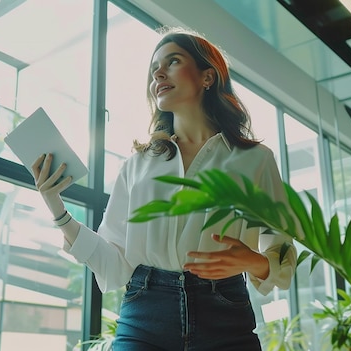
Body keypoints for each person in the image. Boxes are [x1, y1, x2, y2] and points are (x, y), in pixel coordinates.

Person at [31, 27, 298, 351]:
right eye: (155, 67)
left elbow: (281, 247)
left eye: (172, 61)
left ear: (207, 77)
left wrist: (254, 261)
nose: (158, 72)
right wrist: (56, 208)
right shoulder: (137, 165)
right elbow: (114, 265)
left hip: (226, 317)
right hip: (145, 317)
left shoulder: (254, 159)